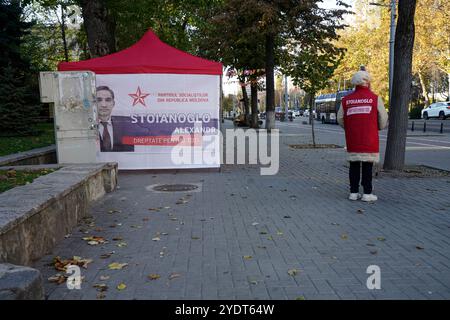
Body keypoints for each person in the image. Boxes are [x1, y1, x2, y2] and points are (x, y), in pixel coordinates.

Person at [337, 69, 388, 202]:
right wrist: (378, 127)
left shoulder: (346, 100)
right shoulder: (375, 99)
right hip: (369, 138)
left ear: (355, 83)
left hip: (353, 138)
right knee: (367, 166)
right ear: (368, 82)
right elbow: (383, 117)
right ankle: (367, 193)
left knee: (353, 165)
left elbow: (340, 118)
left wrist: (349, 128)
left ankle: (353, 193)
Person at [96, 86, 134, 152]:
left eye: (108, 100)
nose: (104, 105)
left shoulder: (126, 127)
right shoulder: (86, 127)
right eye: (99, 100)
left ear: (113, 103)